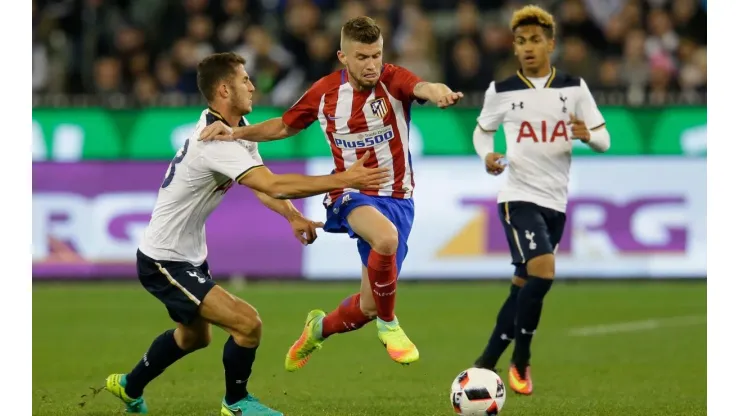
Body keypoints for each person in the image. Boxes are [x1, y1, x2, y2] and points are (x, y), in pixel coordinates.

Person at [103, 52, 388, 416]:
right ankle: (235, 403)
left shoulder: (233, 128)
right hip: (164, 260)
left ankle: (129, 387)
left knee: (194, 337)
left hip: (187, 255)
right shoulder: (215, 142)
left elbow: (260, 184)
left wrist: (291, 217)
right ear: (224, 89)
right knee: (247, 324)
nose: (253, 86)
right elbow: (274, 183)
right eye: (245, 80)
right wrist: (345, 179)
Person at [199, 16, 463, 371]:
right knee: (385, 239)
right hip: (350, 191)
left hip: (399, 198)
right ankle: (391, 325)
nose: (371, 65)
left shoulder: (393, 80)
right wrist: (235, 134)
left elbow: (424, 87)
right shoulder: (324, 93)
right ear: (343, 57)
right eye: (362, 57)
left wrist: (440, 92)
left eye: (376, 56)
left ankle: (317, 330)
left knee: (368, 306)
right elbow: (282, 126)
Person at [470, 5, 611, 395]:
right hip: (518, 196)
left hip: (556, 203)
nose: (528, 47)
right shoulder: (501, 91)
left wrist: (587, 136)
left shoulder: (573, 87)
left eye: (535, 40)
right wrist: (488, 155)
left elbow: (604, 139)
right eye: (520, 41)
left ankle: (485, 362)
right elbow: (483, 133)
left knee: (523, 284)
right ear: (514, 48)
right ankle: (521, 359)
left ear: (551, 43)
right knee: (544, 270)